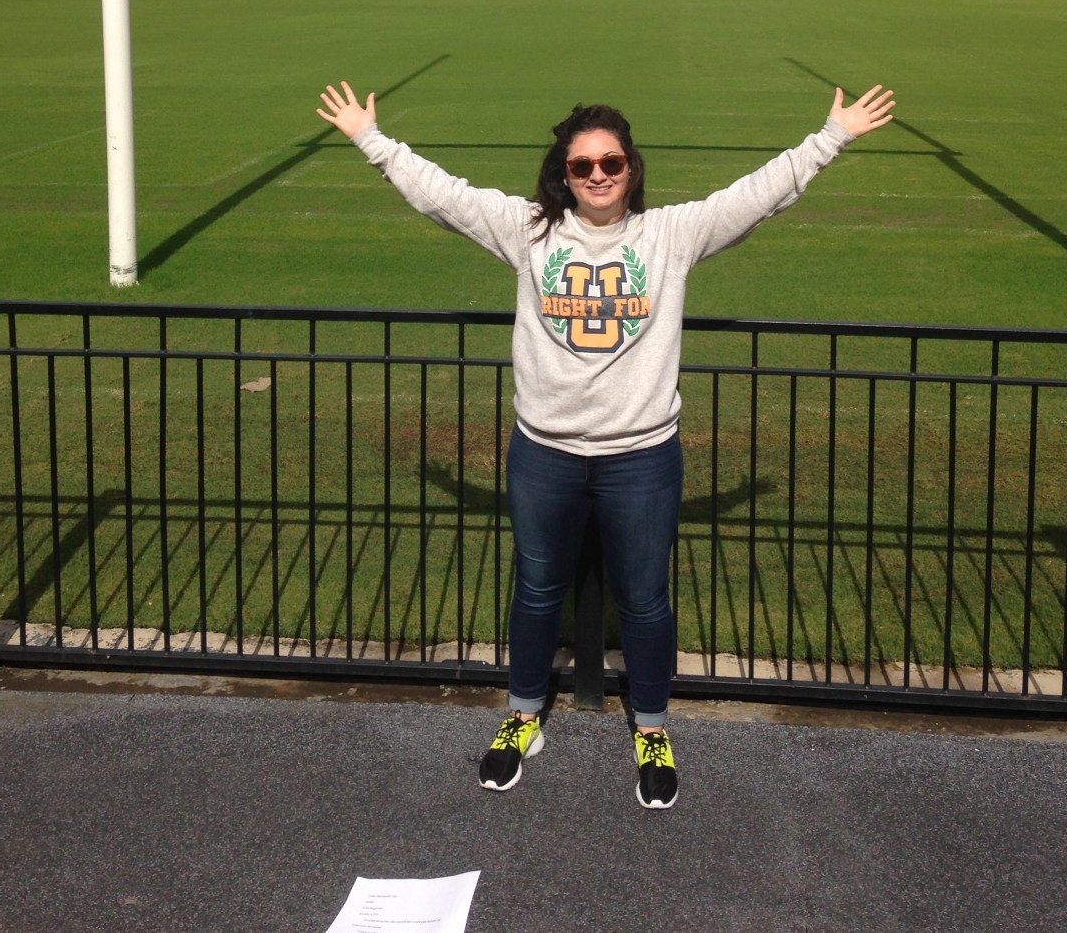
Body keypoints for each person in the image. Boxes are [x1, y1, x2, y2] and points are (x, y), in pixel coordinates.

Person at [318, 78, 895, 809]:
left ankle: (651, 728)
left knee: (645, 602)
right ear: (564, 174)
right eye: (583, 165)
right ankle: (522, 717)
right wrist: (372, 141)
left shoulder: (670, 235)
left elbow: (757, 195)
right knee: (535, 591)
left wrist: (830, 136)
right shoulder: (528, 229)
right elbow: (444, 195)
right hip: (545, 453)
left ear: (632, 168)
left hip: (641, 457)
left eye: (611, 163)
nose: (598, 176)